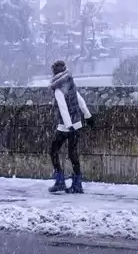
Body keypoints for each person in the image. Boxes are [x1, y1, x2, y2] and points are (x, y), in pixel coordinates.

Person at [48, 60, 94, 194]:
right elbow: (80, 100)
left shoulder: (57, 88)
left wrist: (69, 126)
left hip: (65, 126)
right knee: (72, 154)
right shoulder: (71, 83)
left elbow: (63, 109)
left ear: (54, 73)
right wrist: (88, 115)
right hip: (77, 123)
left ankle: (60, 180)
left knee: (53, 151)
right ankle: (77, 183)